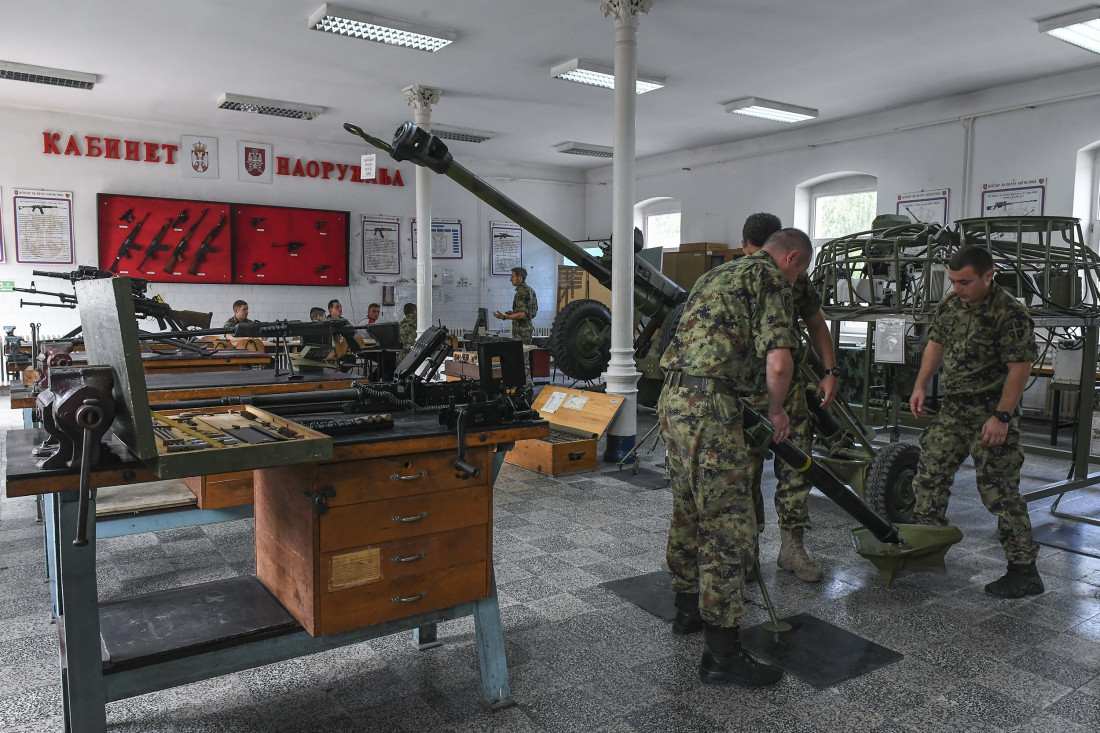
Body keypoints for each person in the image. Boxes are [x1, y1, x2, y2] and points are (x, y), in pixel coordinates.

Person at [660, 228, 813, 687]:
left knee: (688, 509)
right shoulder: (771, 282)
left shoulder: (719, 274)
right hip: (712, 410)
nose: (796, 279)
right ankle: (721, 654)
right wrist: (777, 408)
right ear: (791, 259)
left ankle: (687, 611)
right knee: (729, 524)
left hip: (674, 400)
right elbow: (780, 361)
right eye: (799, 271)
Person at [909, 245, 1042, 598]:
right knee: (929, 475)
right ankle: (927, 545)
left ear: (988, 276)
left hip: (990, 412)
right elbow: (935, 344)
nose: (957, 288)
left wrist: (1002, 417)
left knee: (999, 492)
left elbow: (1020, 367)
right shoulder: (951, 305)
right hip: (954, 411)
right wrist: (921, 384)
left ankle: (1024, 571)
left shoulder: (1009, 312)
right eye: (953, 281)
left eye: (964, 282)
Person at [739, 213, 839, 583]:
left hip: (788, 390)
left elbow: (815, 321)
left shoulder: (795, 278)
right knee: (745, 473)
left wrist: (830, 371)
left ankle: (791, 548)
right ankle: (746, 552)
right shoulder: (740, 279)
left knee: (796, 467)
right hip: (746, 392)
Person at [493, 267, 537, 344]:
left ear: (520, 278)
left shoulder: (521, 292)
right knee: (524, 355)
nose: (510, 279)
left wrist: (503, 317)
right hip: (527, 331)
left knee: (520, 355)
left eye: (512, 277)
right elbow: (530, 313)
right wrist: (514, 313)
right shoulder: (530, 290)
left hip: (521, 333)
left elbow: (522, 315)